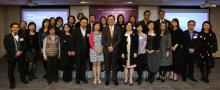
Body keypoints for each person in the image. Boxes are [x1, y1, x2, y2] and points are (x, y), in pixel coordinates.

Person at [4, 22, 28, 89]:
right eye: (14, 27)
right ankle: (12, 83)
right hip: (12, 56)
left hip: (21, 55)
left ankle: (23, 79)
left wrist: (21, 51)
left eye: (17, 27)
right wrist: (15, 52)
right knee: (11, 70)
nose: (15, 29)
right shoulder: (7, 37)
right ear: (11, 28)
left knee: (22, 68)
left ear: (19, 28)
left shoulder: (22, 36)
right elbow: (6, 47)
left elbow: (24, 45)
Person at [102, 15, 121, 86]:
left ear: (114, 20)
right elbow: (103, 40)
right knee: (107, 65)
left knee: (114, 65)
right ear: (107, 21)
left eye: (112, 19)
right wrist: (108, 46)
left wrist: (113, 46)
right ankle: (107, 79)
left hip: (115, 50)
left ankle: (115, 79)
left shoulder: (118, 28)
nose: (110, 20)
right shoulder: (104, 28)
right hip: (106, 50)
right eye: (109, 19)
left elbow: (119, 39)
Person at [73, 17, 89, 84]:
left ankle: (83, 78)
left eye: (85, 22)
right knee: (78, 65)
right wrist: (72, 50)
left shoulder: (88, 30)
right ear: (80, 22)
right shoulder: (75, 30)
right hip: (78, 51)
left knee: (84, 65)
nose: (84, 24)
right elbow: (72, 41)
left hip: (85, 51)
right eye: (83, 22)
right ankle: (77, 78)